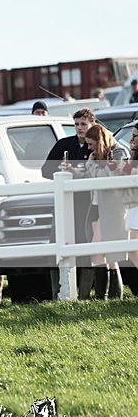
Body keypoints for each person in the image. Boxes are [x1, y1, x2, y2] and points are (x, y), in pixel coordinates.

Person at [41, 108, 94, 297]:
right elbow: (45, 170)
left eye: (83, 124)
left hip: (87, 205)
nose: (79, 128)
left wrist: (76, 172)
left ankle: (85, 294)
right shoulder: (64, 143)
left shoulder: (96, 145)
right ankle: (59, 292)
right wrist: (61, 170)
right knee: (58, 246)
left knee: (86, 246)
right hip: (64, 204)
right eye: (77, 124)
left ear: (92, 124)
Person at [83, 123, 128, 299]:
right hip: (96, 204)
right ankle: (111, 293)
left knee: (98, 248)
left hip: (111, 205)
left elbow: (110, 177)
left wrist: (91, 165)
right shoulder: (97, 156)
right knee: (104, 252)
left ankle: (103, 294)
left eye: (90, 144)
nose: (88, 148)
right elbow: (91, 178)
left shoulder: (118, 152)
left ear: (99, 141)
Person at [114, 122, 138, 270]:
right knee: (132, 248)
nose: (132, 138)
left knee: (133, 247)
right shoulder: (134, 153)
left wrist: (129, 169)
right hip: (133, 204)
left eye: (135, 135)